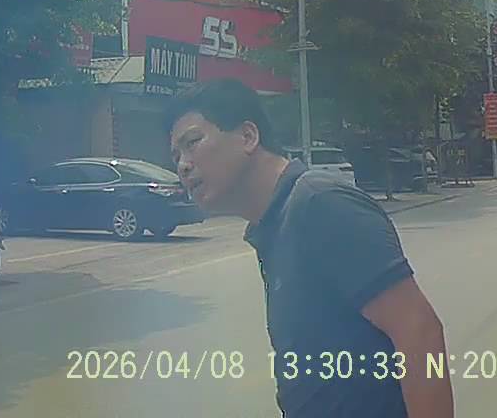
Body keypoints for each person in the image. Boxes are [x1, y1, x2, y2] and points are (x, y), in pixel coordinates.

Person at [165, 79, 453, 418]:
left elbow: (419, 332)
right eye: (176, 156)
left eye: (193, 143)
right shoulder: (272, 225)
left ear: (247, 136)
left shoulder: (320, 204)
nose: (183, 165)